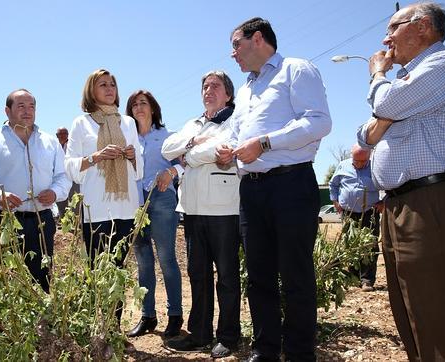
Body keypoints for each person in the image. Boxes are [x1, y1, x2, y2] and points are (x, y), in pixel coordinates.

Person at [357, 3, 445, 361]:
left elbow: (386, 107)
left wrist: (377, 75)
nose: (386, 37)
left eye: (393, 26)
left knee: (438, 310)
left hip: (433, 200)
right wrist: (383, 114)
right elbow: (366, 134)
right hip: (401, 202)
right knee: (411, 308)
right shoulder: (414, 81)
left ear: (423, 27)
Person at [216, 17, 332, 362]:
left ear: (257, 39)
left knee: (296, 275)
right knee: (258, 276)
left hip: (291, 185)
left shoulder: (296, 70)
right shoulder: (248, 89)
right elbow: (236, 136)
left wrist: (264, 143)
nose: (233, 54)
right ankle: (265, 350)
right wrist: (228, 150)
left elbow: (320, 121)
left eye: (236, 44)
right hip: (252, 192)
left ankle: (299, 352)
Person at [162, 71, 241, 358]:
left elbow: (222, 149)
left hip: (224, 209)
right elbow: (167, 149)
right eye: (205, 86)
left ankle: (229, 336)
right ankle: (200, 333)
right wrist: (195, 141)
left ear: (228, 94)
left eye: (215, 86)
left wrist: (190, 154)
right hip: (193, 210)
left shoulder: (236, 119)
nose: (208, 90)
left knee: (227, 276)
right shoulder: (193, 124)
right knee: (198, 274)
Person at [64, 68, 143, 322]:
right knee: (97, 268)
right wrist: (96, 157)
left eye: (112, 84)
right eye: (103, 85)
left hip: (125, 206)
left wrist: (131, 155)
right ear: (91, 90)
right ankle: (96, 326)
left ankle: (113, 327)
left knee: (118, 269)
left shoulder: (128, 122)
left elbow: (139, 168)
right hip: (96, 208)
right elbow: (70, 166)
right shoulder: (81, 122)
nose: (110, 89)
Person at [0, 89, 71, 292]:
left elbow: (63, 177)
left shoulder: (50, 142)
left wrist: (55, 192)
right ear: (7, 111)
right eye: (21, 106)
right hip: (1, 220)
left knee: (41, 280)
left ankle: (41, 324)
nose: (27, 111)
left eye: (31, 107)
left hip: (40, 220)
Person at [125, 90, 183, 338]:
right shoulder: (127, 139)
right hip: (134, 203)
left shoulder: (168, 137)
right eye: (134, 104)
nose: (139, 107)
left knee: (166, 258)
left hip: (161, 198)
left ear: (153, 108)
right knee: (143, 261)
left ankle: (175, 315)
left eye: (143, 103)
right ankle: (148, 316)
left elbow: (185, 162)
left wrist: (170, 171)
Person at [328, 144, 381, 292]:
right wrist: (335, 201)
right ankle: (353, 277)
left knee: (369, 245)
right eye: (356, 161)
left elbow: (386, 185)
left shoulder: (376, 166)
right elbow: (333, 185)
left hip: (370, 212)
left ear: (369, 157)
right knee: (349, 244)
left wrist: (383, 201)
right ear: (352, 156)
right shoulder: (343, 165)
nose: (359, 164)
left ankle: (367, 280)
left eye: (363, 161)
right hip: (348, 213)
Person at [55, 126, 80, 218]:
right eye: (60, 134)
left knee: (75, 203)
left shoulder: (72, 145)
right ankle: (65, 228)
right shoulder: (53, 146)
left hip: (72, 177)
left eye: (64, 133)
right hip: (58, 179)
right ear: (56, 135)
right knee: (61, 203)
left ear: (68, 135)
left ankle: (77, 227)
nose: (62, 136)